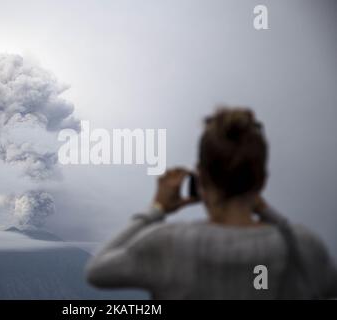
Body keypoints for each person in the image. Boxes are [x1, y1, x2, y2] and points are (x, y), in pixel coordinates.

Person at [85, 107, 337, 299]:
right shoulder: (304, 246)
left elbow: (97, 271)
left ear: (201, 179)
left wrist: (156, 209)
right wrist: (268, 213)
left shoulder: (167, 243)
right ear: (261, 181)